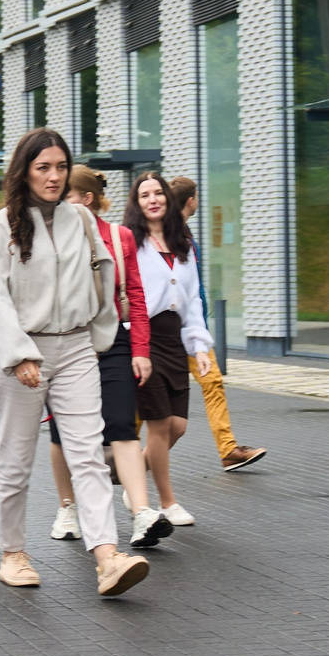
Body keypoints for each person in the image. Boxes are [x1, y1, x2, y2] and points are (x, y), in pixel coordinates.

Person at [0, 129, 149, 598]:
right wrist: (17, 353)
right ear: (24, 171)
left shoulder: (81, 219)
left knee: (89, 454)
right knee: (15, 459)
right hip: (23, 354)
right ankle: (13, 553)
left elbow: (104, 270)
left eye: (60, 167)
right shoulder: (2, 226)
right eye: (43, 167)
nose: (54, 177)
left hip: (75, 349)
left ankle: (107, 556)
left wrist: (99, 334)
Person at [42, 165, 165, 550]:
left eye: (67, 194)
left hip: (113, 342)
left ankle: (142, 513)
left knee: (121, 426)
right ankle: (67, 507)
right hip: (64, 343)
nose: (59, 201)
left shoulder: (119, 235)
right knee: (63, 432)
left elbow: (137, 296)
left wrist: (141, 350)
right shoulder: (51, 236)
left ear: (86, 199)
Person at [125, 172, 213, 532]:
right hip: (144, 337)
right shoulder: (130, 240)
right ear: (137, 202)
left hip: (174, 338)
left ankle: (130, 479)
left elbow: (192, 299)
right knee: (159, 426)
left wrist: (200, 345)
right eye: (144, 194)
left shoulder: (183, 244)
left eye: (158, 192)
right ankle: (166, 502)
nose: (152, 199)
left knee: (178, 426)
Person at [167, 176, 265, 472]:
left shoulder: (184, 234)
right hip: (169, 331)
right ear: (190, 201)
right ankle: (122, 449)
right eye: (197, 196)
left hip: (193, 330)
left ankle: (228, 449)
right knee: (150, 396)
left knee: (213, 382)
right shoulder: (168, 235)